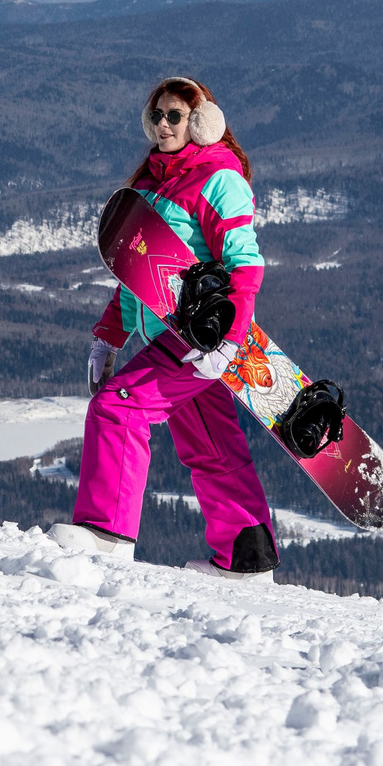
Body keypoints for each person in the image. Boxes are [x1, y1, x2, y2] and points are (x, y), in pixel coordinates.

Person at [51, 76, 278, 578]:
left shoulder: (220, 178)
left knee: (118, 407)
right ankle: (246, 556)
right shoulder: (152, 182)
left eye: (175, 115)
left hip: (202, 337)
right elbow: (139, 274)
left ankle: (106, 534)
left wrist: (230, 338)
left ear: (201, 122)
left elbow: (245, 266)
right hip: (166, 335)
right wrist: (108, 335)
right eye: (156, 115)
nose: (163, 124)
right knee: (209, 445)